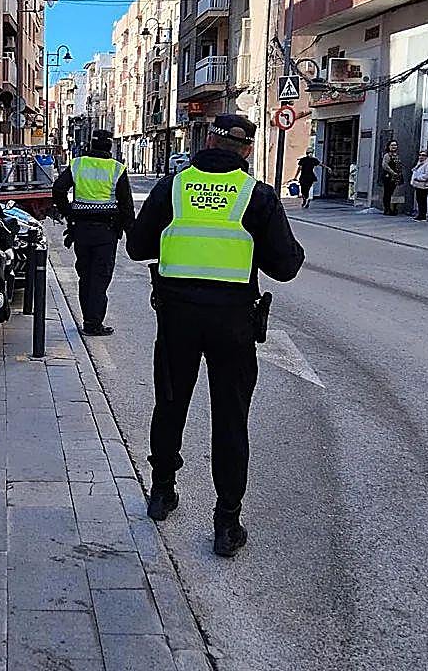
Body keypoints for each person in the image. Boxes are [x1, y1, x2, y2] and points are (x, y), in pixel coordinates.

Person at [127, 114, 305, 558]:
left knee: (169, 405)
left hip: (176, 319)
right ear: (246, 150)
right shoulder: (257, 196)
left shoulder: (173, 187)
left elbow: (137, 247)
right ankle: (227, 523)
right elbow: (285, 266)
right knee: (230, 419)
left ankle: (161, 493)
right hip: (233, 324)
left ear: (207, 140)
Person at [52, 129, 135, 336]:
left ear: (91, 145)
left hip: (81, 231)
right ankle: (93, 323)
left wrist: (69, 212)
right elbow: (126, 206)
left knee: (85, 277)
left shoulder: (78, 164)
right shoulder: (117, 169)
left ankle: (88, 319)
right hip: (106, 233)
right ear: (110, 146)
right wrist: (132, 233)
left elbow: (58, 189)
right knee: (100, 278)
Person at [410, 150, 428, 221]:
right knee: (419, 200)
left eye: (423, 155)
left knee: (422, 200)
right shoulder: (420, 163)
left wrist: (418, 178)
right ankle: (420, 214)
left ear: (427, 156)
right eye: (420, 155)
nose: (421, 157)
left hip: (424, 185)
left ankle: (423, 215)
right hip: (418, 185)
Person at [381, 141, 404, 216]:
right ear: (389, 146)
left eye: (395, 145)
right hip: (389, 177)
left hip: (397, 177)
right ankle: (387, 209)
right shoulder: (387, 155)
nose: (394, 146)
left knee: (394, 193)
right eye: (392, 145)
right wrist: (392, 172)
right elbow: (385, 165)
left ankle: (393, 208)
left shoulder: (396, 155)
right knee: (387, 193)